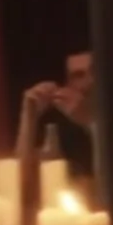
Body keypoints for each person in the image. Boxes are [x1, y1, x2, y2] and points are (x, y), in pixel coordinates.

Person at [19, 50, 98, 198]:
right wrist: (29, 117)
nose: (90, 81)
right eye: (79, 75)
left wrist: (91, 123)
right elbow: (20, 178)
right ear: (68, 84)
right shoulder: (60, 121)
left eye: (96, 71)